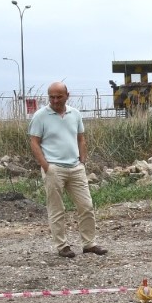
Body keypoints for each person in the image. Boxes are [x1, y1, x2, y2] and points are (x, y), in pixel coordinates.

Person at [28, 82, 107, 258]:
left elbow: (80, 138)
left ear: (67, 95)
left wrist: (82, 161)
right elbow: (34, 142)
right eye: (51, 97)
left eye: (59, 96)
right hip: (54, 168)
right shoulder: (40, 116)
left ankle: (89, 244)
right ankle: (62, 246)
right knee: (57, 208)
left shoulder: (75, 114)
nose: (55, 100)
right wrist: (46, 166)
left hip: (75, 167)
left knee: (86, 206)